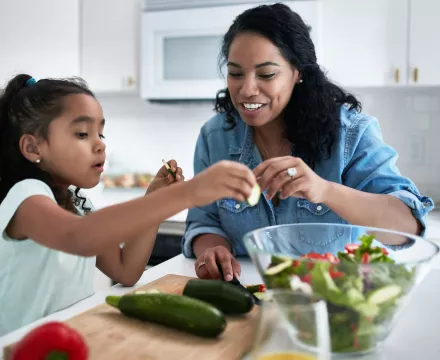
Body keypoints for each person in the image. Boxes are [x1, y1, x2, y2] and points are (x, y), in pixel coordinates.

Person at [182, 3, 434, 282]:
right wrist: (215, 249)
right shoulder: (214, 137)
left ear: (298, 72)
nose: (247, 89)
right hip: (245, 298)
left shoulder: (351, 134)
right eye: (236, 73)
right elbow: (204, 221)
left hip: (332, 301)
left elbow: (407, 227)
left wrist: (325, 190)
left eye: (266, 74)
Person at [0, 74, 257, 335]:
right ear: (33, 147)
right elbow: (76, 237)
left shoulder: (80, 206)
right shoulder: (26, 198)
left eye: (100, 133)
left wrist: (153, 200)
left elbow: (125, 270)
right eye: (82, 133)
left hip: (66, 340)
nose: (100, 143)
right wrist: (188, 193)